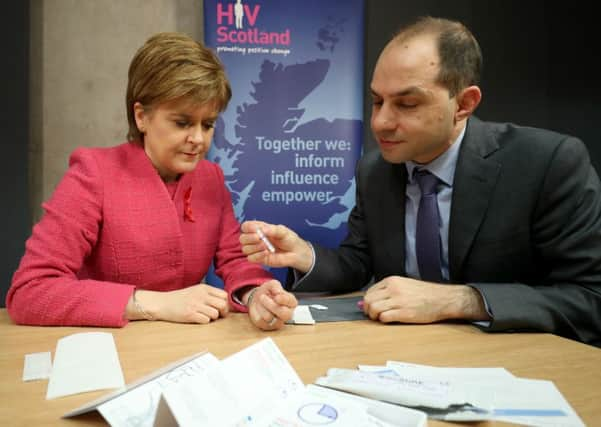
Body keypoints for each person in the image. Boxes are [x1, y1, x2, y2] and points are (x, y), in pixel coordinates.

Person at [240, 17, 601, 346]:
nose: (380, 122)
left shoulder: (547, 163)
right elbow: (358, 263)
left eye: (407, 104)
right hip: (402, 361)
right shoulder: (375, 171)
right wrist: (306, 254)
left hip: (520, 363)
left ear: (464, 103)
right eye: (376, 101)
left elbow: (589, 297)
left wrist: (460, 300)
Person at [7, 32, 297, 330]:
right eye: (182, 123)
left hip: (184, 353)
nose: (198, 139)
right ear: (141, 116)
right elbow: (31, 291)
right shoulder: (93, 172)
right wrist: (154, 303)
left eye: (208, 124)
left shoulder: (210, 178)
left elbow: (235, 262)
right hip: (106, 350)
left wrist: (256, 295)